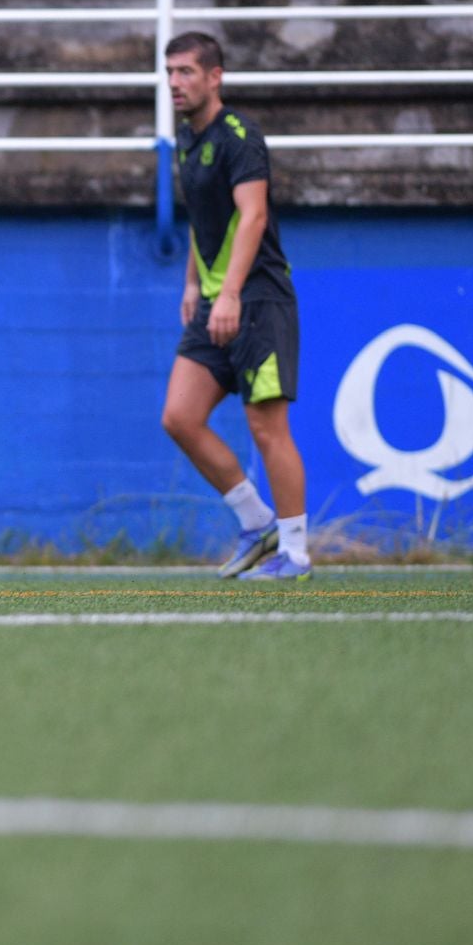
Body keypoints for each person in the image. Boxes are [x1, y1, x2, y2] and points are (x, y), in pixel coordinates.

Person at [159, 32, 311, 581]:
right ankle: (256, 523)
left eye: (186, 72)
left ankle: (295, 552)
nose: (175, 82)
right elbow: (207, 223)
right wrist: (193, 285)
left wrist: (227, 293)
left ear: (215, 76)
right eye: (170, 72)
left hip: (258, 300)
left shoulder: (239, 135)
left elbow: (252, 217)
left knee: (267, 427)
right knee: (179, 416)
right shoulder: (185, 139)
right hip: (215, 299)